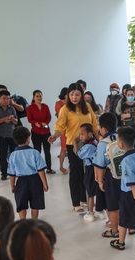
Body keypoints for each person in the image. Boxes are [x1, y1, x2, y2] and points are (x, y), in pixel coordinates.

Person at [49, 83, 97, 212]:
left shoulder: (87, 107)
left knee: (89, 172)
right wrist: (55, 135)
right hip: (73, 144)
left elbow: (94, 124)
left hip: (89, 143)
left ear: (81, 95)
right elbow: (60, 126)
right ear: (68, 96)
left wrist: (100, 139)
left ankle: (84, 198)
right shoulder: (65, 109)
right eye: (71, 95)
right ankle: (76, 203)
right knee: (76, 173)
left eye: (77, 94)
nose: (74, 97)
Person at [109, 127, 135, 252]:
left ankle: (121, 242)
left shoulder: (125, 160)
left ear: (120, 144)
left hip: (130, 193)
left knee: (124, 218)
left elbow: (131, 181)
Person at [94, 112, 121, 239]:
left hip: (112, 177)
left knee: (113, 205)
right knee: (125, 201)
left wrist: (100, 181)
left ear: (103, 129)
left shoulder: (103, 143)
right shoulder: (122, 137)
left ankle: (115, 230)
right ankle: (131, 226)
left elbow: (100, 165)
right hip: (126, 175)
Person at [0, 90, 18, 180]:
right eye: (4, 98)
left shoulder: (12, 108)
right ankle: (4, 173)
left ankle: (14, 171)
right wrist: (3, 119)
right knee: (3, 155)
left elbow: (16, 121)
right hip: (2, 136)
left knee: (13, 155)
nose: (6, 100)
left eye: (8, 98)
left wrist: (12, 119)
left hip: (12, 136)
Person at [76, 124, 101, 222]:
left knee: (90, 192)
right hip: (98, 168)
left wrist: (75, 142)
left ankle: (90, 212)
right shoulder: (95, 142)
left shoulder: (88, 147)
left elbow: (79, 155)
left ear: (90, 134)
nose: (80, 136)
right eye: (79, 134)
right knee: (99, 190)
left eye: (82, 134)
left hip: (90, 169)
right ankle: (100, 210)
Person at [27, 90, 54, 174]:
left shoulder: (45, 106)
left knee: (47, 151)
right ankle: (38, 168)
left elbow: (49, 117)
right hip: (36, 132)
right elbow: (30, 119)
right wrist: (37, 123)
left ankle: (49, 168)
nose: (39, 98)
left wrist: (45, 123)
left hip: (46, 131)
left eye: (40, 96)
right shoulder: (30, 108)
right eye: (37, 96)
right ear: (34, 97)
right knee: (37, 151)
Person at [116, 87, 135, 152]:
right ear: (125, 95)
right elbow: (121, 115)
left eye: (132, 94)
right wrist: (126, 115)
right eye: (128, 95)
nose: (130, 96)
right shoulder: (123, 105)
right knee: (128, 146)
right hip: (127, 128)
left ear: (134, 95)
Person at [55, 87, 69, 175]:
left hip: (71, 128)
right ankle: (61, 166)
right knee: (64, 148)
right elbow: (61, 115)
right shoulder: (59, 103)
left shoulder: (70, 103)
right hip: (63, 129)